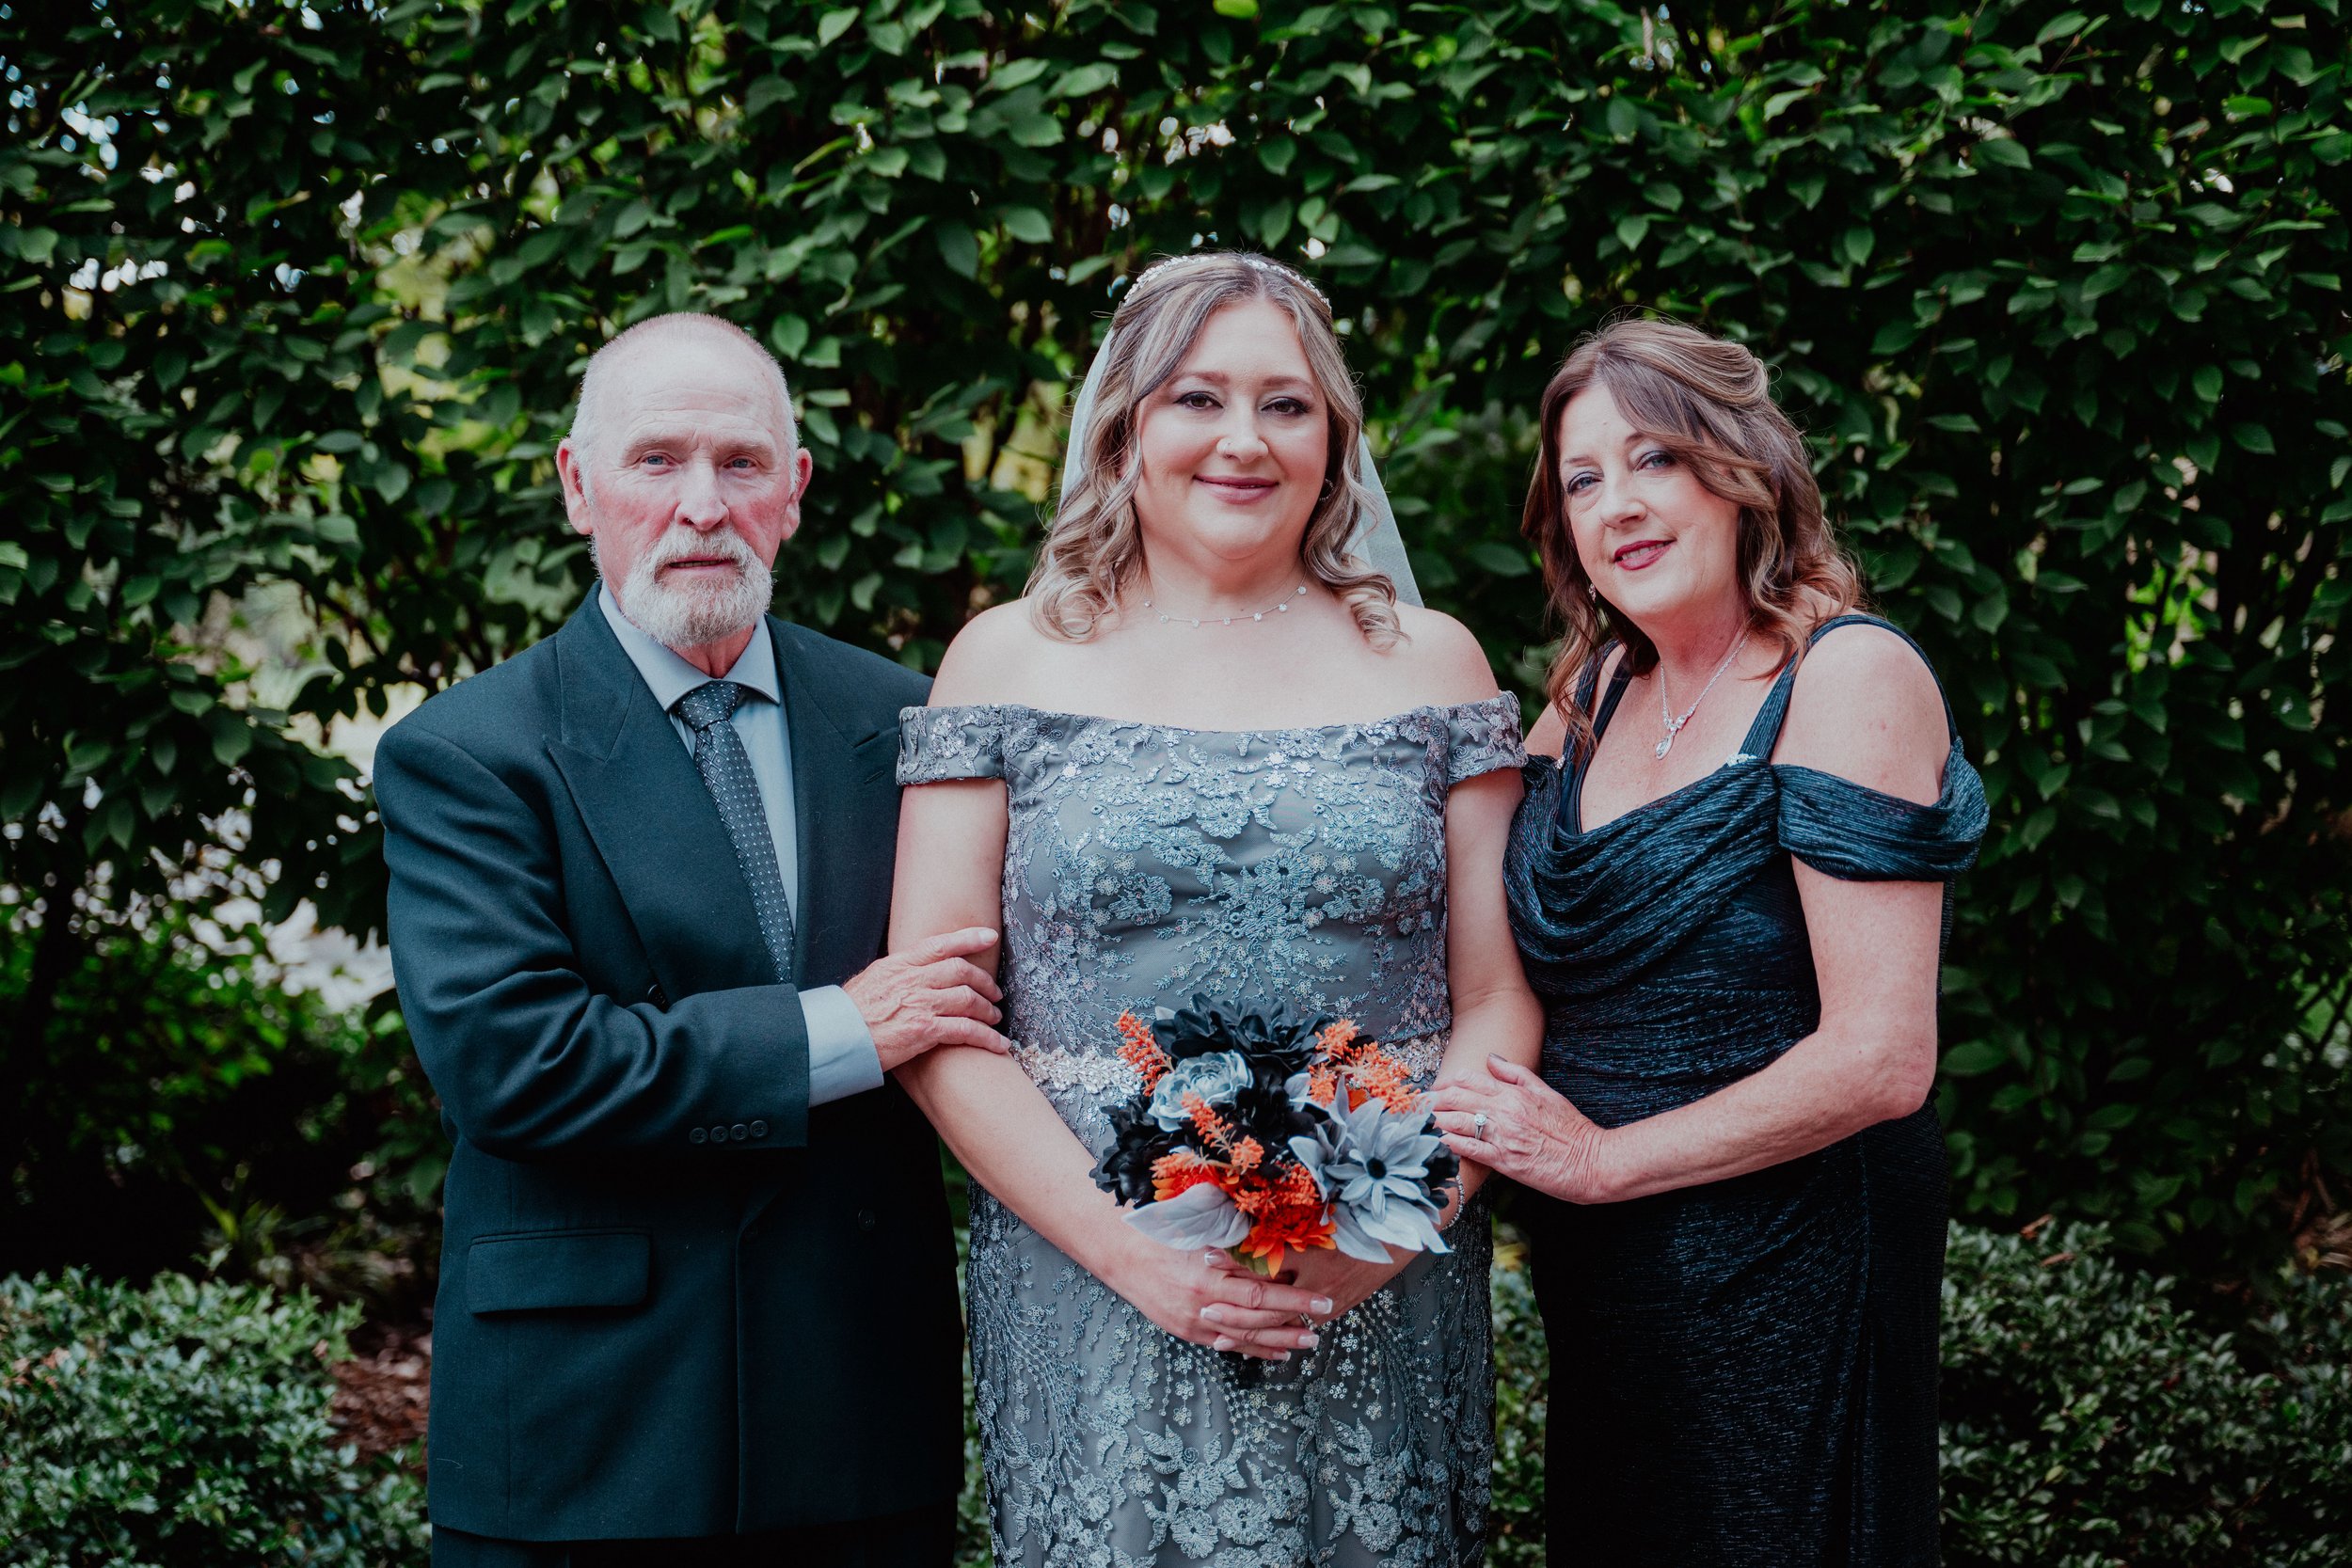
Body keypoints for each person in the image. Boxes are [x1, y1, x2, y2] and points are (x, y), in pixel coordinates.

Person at [885, 251, 1541, 1567]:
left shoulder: (1435, 662)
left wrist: (1393, 1228)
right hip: (1089, 1274)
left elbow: (1500, 999)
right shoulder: (1003, 660)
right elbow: (940, 1016)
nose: (1244, 440)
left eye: (1287, 405)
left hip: (1383, 1278)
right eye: (1198, 399)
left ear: (1336, 440)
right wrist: (1136, 1257)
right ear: (1124, 428)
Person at [374, 312, 1009, 1566]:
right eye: (656, 460)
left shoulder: (908, 719)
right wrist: (846, 1028)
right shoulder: (468, 752)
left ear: (795, 492)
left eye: (741, 464)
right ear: (578, 487)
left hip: (860, 1414)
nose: (703, 506)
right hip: (592, 1431)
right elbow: (515, 1062)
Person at [1431, 317, 1988, 1565]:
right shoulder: (1586, 699)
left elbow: (1883, 1058)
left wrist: (1600, 1163)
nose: (1617, 504)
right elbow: (1472, 949)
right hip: (1605, 1272)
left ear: (1742, 470)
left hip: (1794, 1256)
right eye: (1584, 479)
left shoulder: (1844, 678)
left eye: (1656, 460)